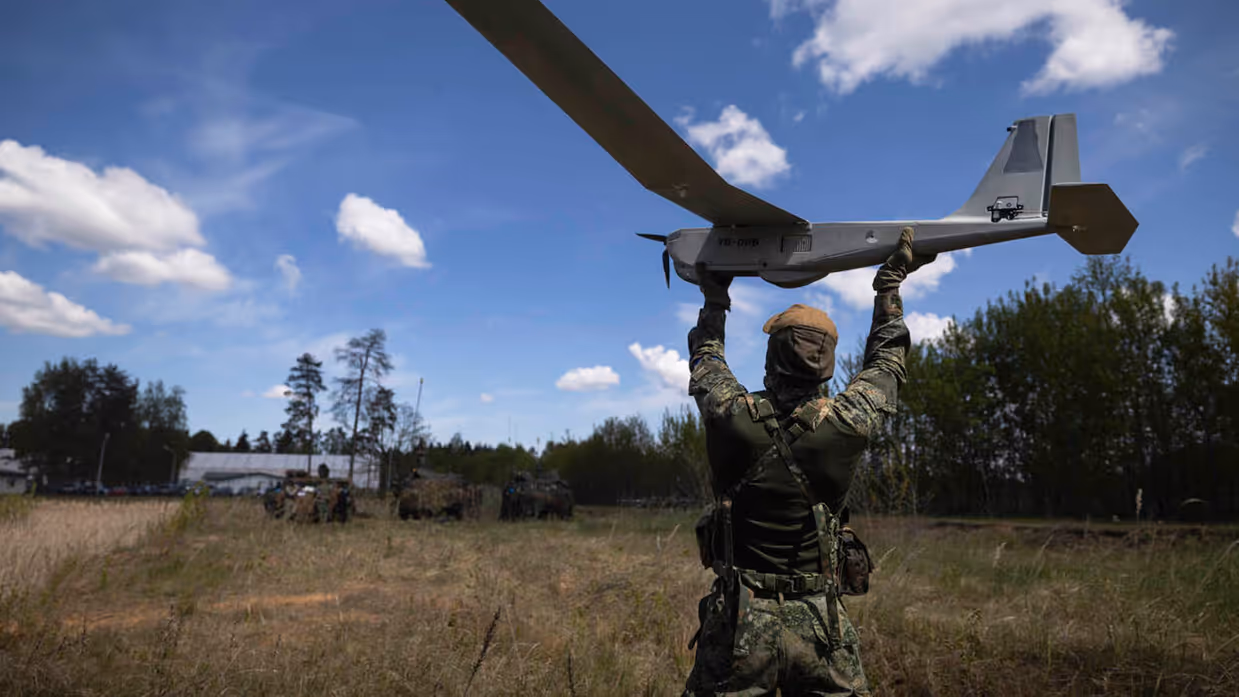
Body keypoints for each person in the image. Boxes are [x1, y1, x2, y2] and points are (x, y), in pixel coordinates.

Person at [683, 227, 936, 696]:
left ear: (771, 356)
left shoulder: (730, 415)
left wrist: (715, 297)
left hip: (740, 622)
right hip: (820, 624)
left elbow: (705, 356)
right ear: (827, 364)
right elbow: (887, 363)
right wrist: (890, 285)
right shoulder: (847, 423)